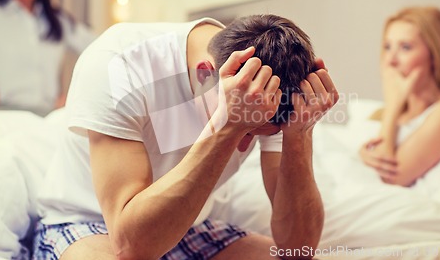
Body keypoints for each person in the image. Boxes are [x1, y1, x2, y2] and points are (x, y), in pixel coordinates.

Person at [33, 14, 339, 260]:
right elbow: (130, 246)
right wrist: (229, 126)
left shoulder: (264, 91)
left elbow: (297, 249)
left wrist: (299, 134)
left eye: (254, 134)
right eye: (246, 132)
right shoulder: (119, 63)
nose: (243, 146)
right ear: (205, 73)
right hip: (91, 224)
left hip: (185, 226)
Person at [359, 6, 440, 186]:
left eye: (405, 47)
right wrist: (362, 156)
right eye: (387, 47)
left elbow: (391, 177)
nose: (391, 60)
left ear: (434, 55)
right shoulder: (380, 113)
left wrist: (393, 103)